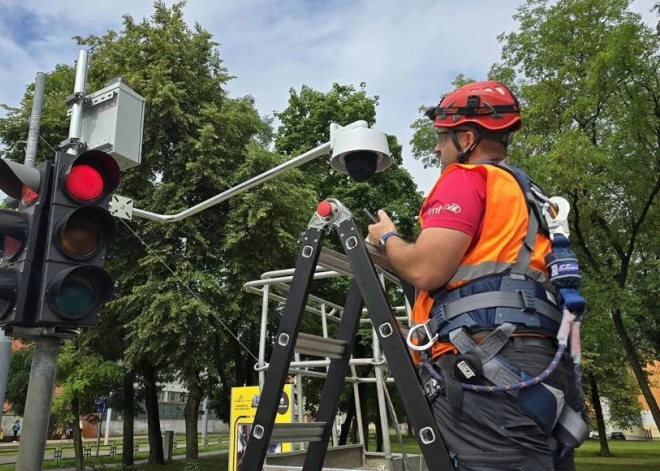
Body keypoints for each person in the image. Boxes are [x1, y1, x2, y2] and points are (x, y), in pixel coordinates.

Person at [368, 81, 586, 470]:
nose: (437, 148)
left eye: (442, 138)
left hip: (490, 367)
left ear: (466, 138)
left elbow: (424, 268)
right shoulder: (525, 194)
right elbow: (480, 274)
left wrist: (387, 238)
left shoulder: (465, 179)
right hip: (534, 363)